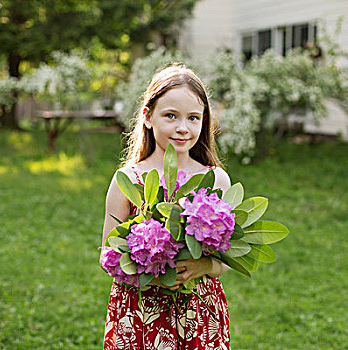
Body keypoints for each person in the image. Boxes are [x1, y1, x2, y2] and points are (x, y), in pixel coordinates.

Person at [100, 64, 232, 349]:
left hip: (198, 314)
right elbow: (108, 256)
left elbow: (225, 260)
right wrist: (153, 276)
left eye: (193, 118)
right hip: (141, 314)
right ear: (147, 117)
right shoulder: (129, 180)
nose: (182, 128)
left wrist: (201, 265)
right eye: (170, 116)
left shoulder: (214, 179)